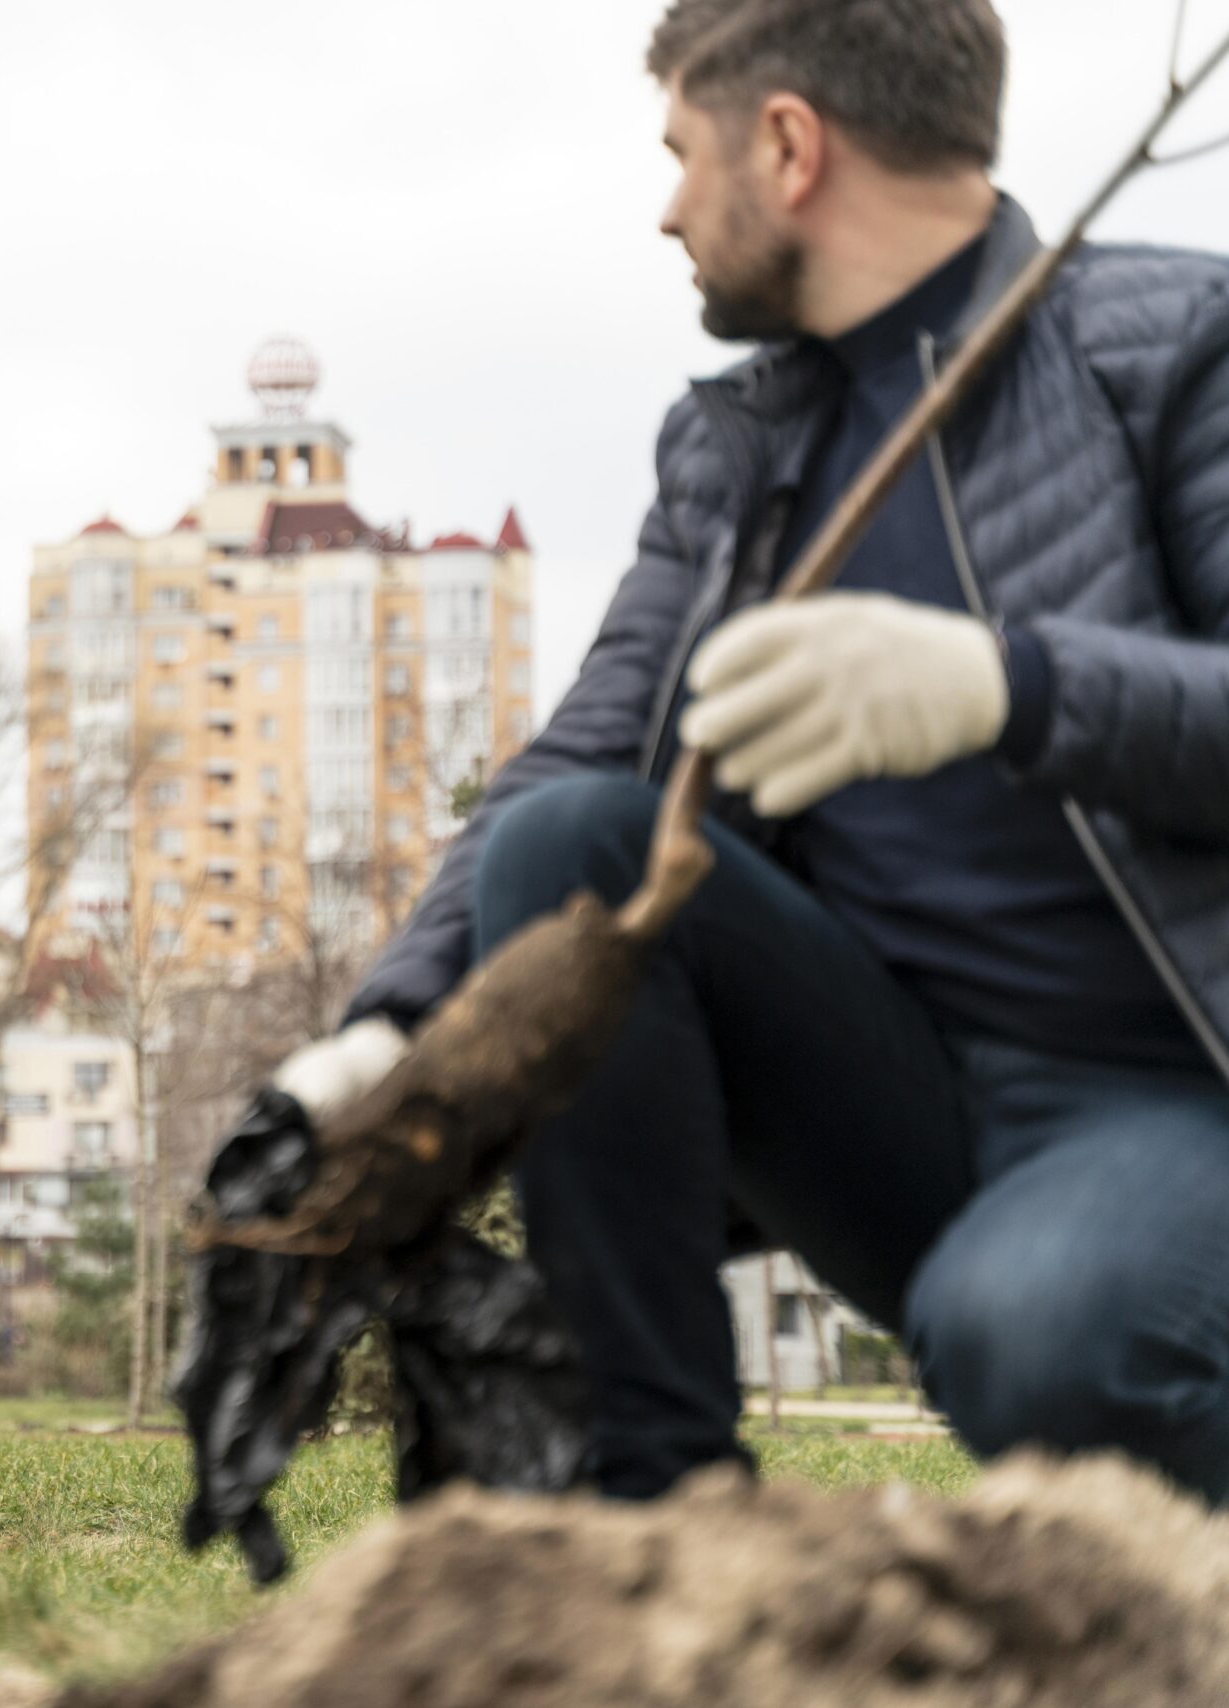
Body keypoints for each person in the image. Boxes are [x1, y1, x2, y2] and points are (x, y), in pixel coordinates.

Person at [262, 0, 1229, 1504]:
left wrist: (1010, 687)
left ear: (786, 145)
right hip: (893, 1096)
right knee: (570, 839)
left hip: (1168, 1100)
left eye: (678, 153)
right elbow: (592, 756)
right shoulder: (737, 449)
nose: (666, 210)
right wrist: (388, 1031)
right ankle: (658, 1518)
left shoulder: (1175, 345)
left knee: (1035, 1329)